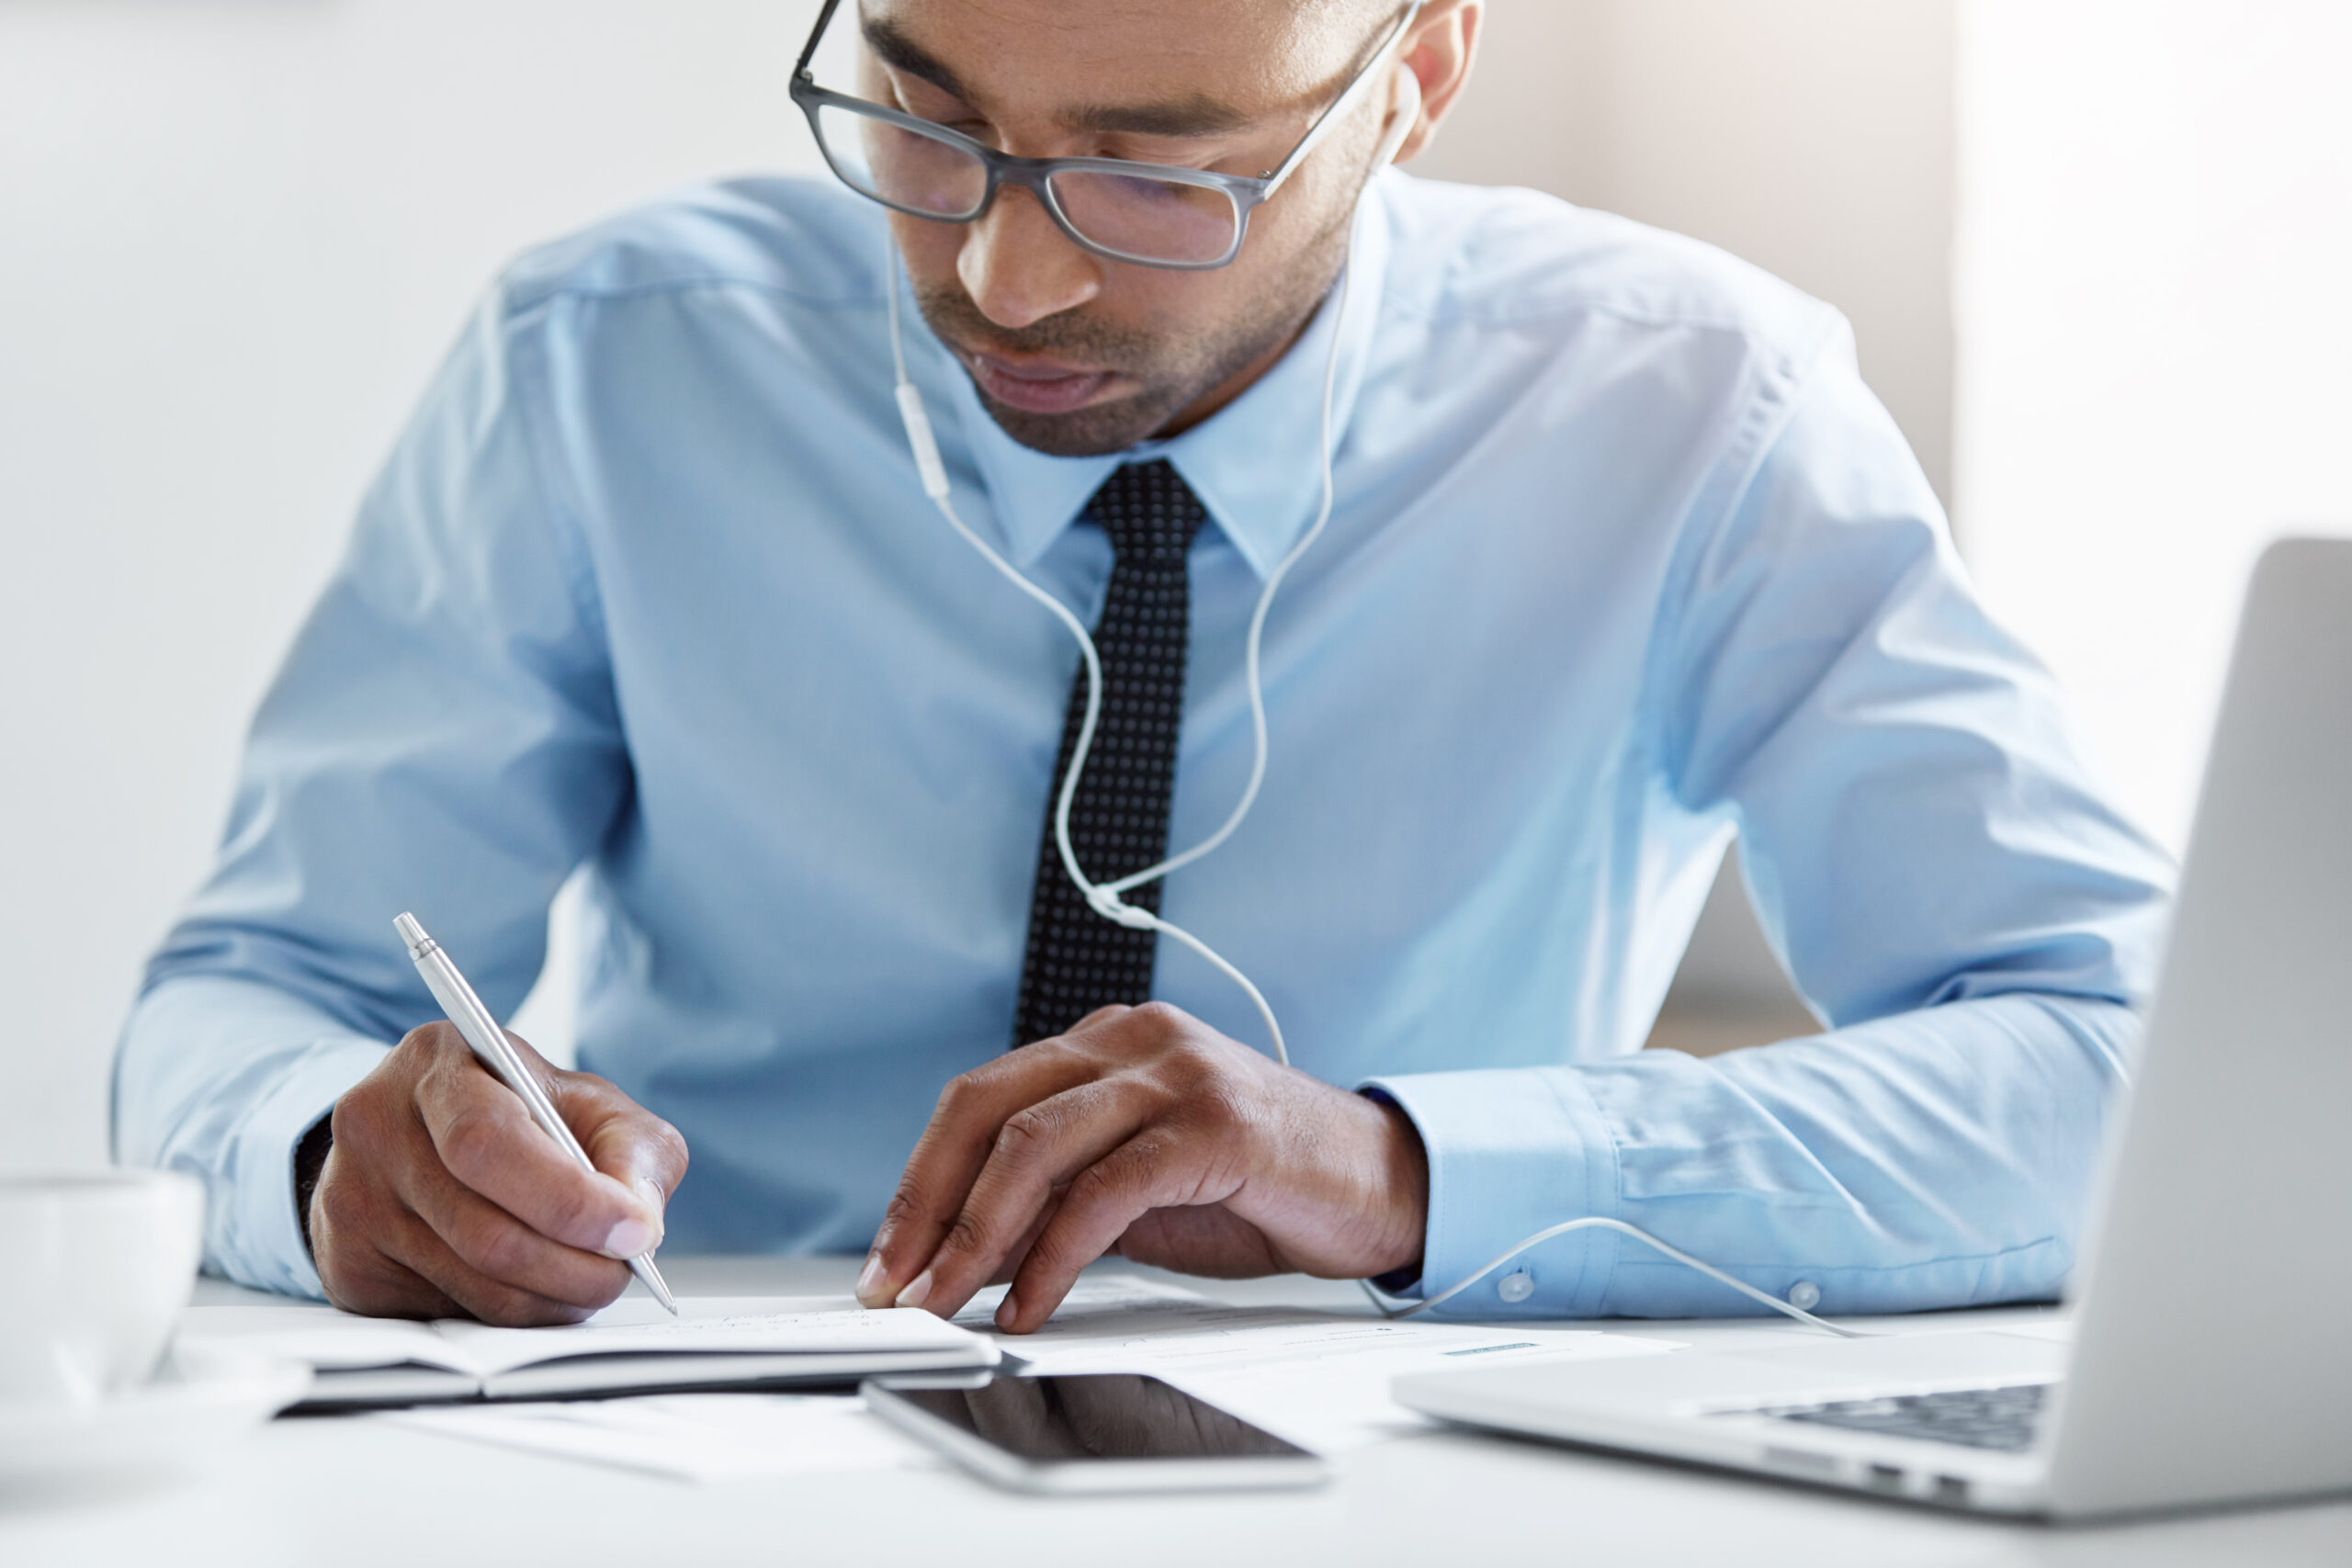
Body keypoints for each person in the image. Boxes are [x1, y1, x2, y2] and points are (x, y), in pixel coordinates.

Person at [114, 0, 2171, 1333]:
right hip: (695, 1454)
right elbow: (244, 995)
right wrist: (322, 1151)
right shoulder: (607, 363)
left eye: (1159, 167)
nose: (1005, 278)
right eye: (923, 122)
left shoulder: (1689, 408)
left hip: (1424, 1498)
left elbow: (2116, 1066)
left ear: (1415, 77)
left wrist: (1392, 1164)